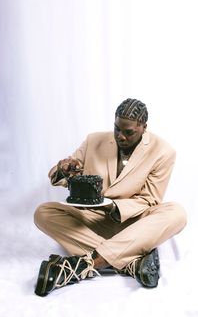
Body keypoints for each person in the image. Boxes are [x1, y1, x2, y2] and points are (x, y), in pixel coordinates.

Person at [34, 98, 187, 296]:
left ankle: (85, 265)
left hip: (134, 223)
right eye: (117, 129)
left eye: (128, 132)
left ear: (144, 127)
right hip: (95, 220)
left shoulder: (163, 151)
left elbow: (150, 200)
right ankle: (132, 262)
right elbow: (67, 173)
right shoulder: (93, 141)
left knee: (177, 213)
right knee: (44, 212)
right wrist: (65, 169)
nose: (120, 137)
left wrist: (115, 208)